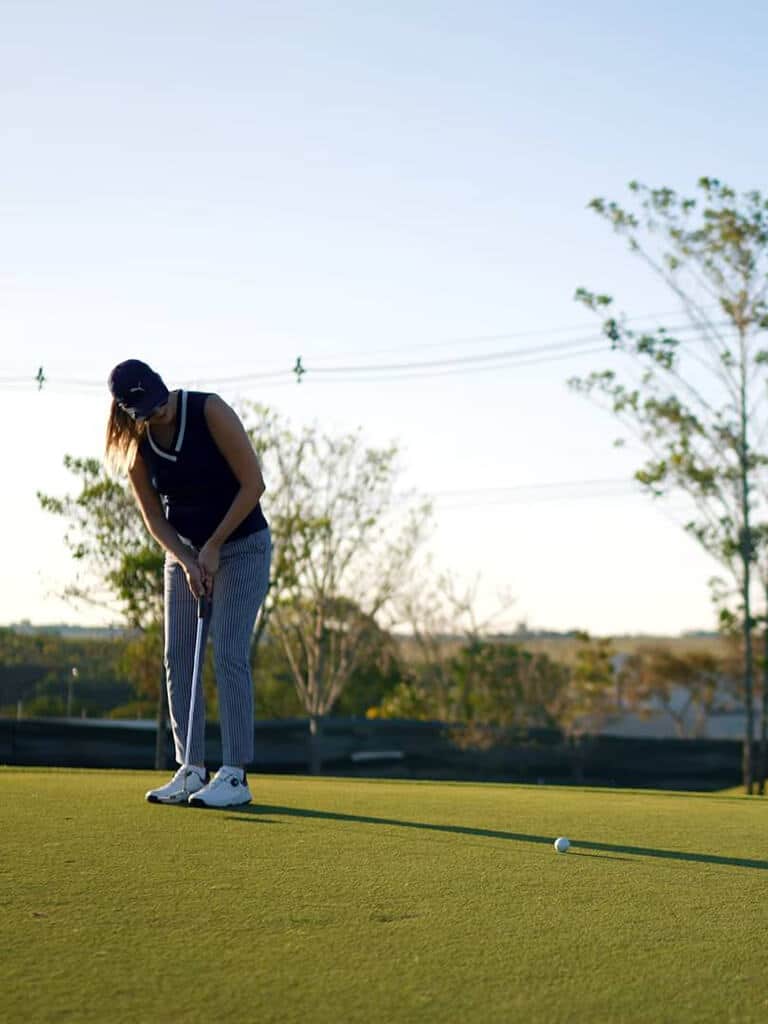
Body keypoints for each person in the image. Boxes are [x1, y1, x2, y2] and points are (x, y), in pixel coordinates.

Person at [106, 359, 271, 808]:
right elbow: (154, 517)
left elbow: (253, 483)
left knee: (229, 651)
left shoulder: (208, 411)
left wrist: (214, 545)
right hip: (184, 553)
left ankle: (234, 774)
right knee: (178, 655)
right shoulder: (136, 448)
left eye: (158, 402)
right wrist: (185, 558)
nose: (156, 413)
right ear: (126, 410)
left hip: (242, 546)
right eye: (144, 409)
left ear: (163, 385)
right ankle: (191, 768)